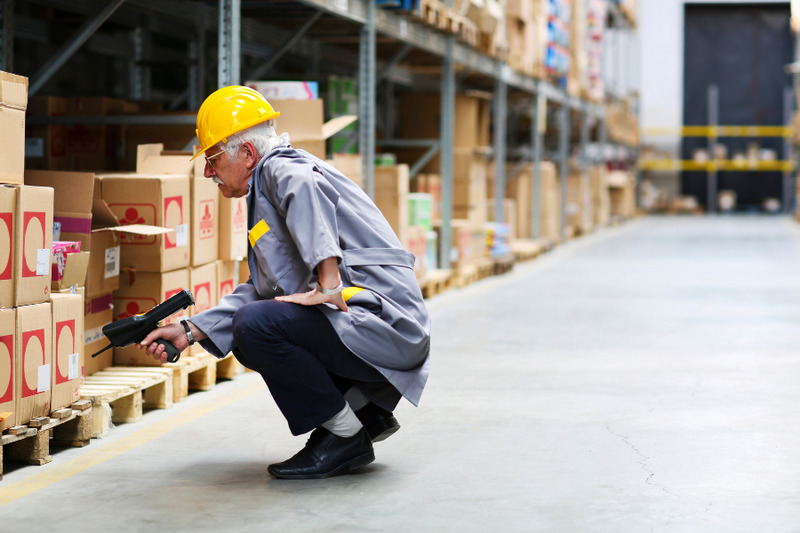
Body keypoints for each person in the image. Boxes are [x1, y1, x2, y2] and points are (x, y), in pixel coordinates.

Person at [139, 86, 431, 480]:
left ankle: (345, 436)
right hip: (371, 324)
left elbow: (303, 189)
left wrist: (328, 281)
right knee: (249, 324)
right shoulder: (264, 188)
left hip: (384, 324)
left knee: (255, 326)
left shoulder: (281, 168)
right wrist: (190, 331)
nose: (207, 171)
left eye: (212, 158)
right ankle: (364, 411)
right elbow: (263, 289)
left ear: (247, 154)